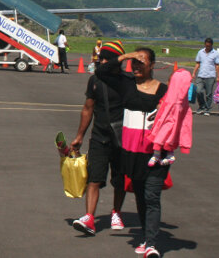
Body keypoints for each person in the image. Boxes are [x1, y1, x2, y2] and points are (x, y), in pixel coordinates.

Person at [96, 46, 168, 258]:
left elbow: (177, 112)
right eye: (134, 62)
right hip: (131, 151)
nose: (136, 65)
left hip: (156, 153)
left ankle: (151, 245)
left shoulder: (163, 90)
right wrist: (125, 56)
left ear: (152, 65)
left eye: (141, 61)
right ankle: (146, 237)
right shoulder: (126, 84)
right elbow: (101, 72)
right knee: (141, 198)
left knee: (152, 197)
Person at [70, 41, 127, 236]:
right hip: (99, 136)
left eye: (105, 58)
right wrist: (79, 136)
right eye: (100, 57)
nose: (101, 60)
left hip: (122, 139)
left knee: (119, 180)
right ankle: (89, 217)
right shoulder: (95, 80)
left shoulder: (127, 81)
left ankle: (116, 212)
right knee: (93, 178)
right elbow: (88, 109)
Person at [146, 69, 193, 167]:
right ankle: (163, 154)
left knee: (163, 136)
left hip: (168, 121)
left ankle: (158, 154)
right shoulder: (176, 99)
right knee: (167, 136)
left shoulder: (180, 102)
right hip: (166, 120)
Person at [190, 38, 219, 116]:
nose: (208, 47)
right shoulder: (200, 52)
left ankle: (207, 108)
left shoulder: (215, 53)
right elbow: (197, 63)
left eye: (209, 46)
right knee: (198, 91)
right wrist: (193, 73)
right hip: (201, 75)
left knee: (209, 93)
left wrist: (218, 77)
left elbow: (217, 66)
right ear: (204, 45)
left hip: (210, 76)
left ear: (211, 45)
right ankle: (202, 106)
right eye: (206, 46)